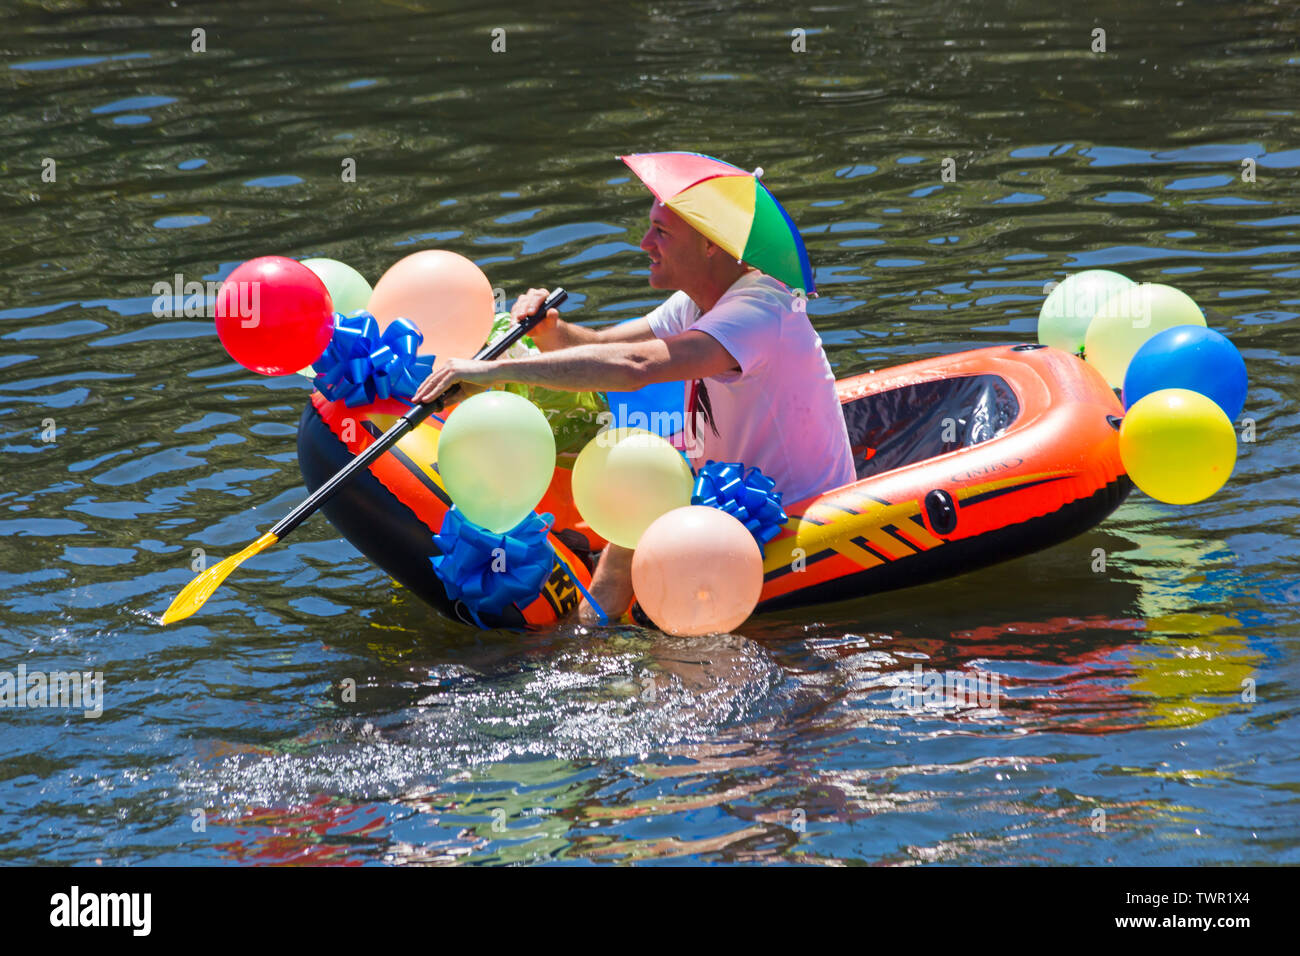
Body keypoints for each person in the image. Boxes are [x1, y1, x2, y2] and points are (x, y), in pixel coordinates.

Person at [411, 199, 856, 625]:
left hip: (789, 517)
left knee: (645, 551)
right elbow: (602, 349)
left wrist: (488, 372)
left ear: (710, 243)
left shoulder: (760, 310)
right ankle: (591, 652)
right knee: (624, 544)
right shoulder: (696, 302)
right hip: (719, 500)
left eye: (661, 232)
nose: (644, 242)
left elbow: (636, 367)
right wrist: (551, 330)